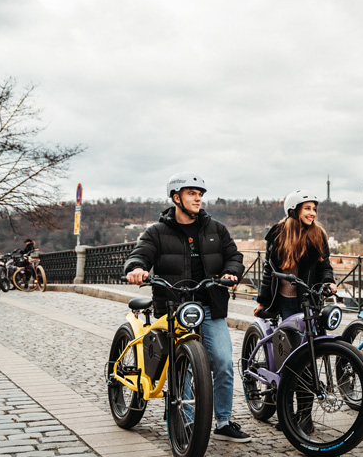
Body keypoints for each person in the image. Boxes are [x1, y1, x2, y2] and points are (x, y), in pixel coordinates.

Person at [124, 172, 249, 443]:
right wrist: (136, 268)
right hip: (174, 306)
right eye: (192, 193)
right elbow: (140, 254)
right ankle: (186, 421)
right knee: (184, 365)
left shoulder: (216, 229)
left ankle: (223, 422)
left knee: (223, 363)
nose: (198, 198)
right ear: (176, 197)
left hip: (209, 304)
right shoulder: (157, 232)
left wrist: (231, 271)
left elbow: (234, 256)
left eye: (200, 194)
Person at [255, 190, 337, 320]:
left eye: (314, 209)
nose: (313, 213)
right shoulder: (278, 234)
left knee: (313, 332)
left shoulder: (318, 234)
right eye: (307, 208)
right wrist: (262, 302)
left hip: (310, 299)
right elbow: (269, 270)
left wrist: (328, 281)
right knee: (290, 332)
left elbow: (324, 266)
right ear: (294, 210)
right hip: (284, 299)